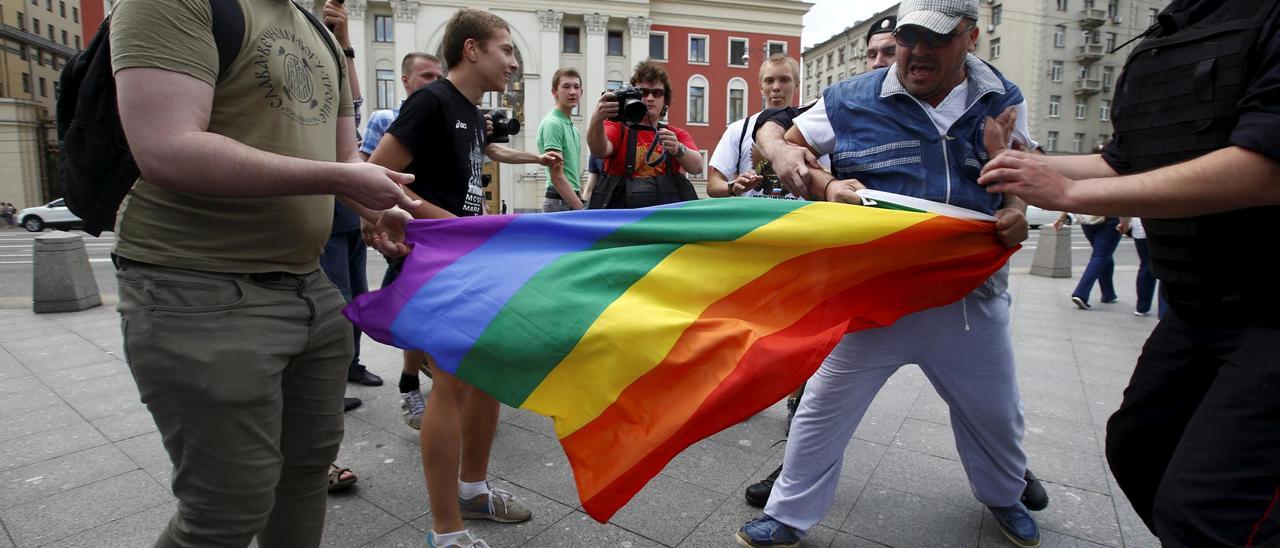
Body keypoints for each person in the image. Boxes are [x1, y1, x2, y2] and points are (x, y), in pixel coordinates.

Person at [107, 0, 417, 544]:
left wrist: (372, 206)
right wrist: (342, 178)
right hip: (197, 286)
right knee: (225, 509)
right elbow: (166, 147)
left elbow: (344, 161)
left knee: (302, 477)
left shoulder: (317, 30)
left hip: (310, 288)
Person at [737, 1, 1044, 546]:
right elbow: (779, 138)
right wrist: (801, 169)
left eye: (936, 40)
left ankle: (1003, 497)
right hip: (876, 297)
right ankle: (787, 514)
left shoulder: (1002, 96)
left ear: (970, 38)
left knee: (996, 415)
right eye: (908, 38)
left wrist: (1016, 211)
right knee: (822, 409)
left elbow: (1020, 173)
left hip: (967, 298)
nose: (918, 52)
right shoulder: (852, 98)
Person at [977, 1, 1280, 544]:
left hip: (1269, 308)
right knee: (1140, 451)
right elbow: (1125, 159)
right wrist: (1023, 163)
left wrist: (1068, 192)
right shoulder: (1180, 23)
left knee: (1211, 509)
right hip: (1198, 304)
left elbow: (1265, 167)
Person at [365, 9, 561, 547]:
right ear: (471, 49)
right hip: (435, 262)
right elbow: (380, 177)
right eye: (506, 50)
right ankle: (445, 532)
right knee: (450, 387)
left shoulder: (474, 115)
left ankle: (473, 491)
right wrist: (454, 227)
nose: (514, 62)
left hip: (467, 260)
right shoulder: (431, 102)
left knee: (485, 377)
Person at [359, 51, 445, 431]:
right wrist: (370, 220)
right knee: (413, 314)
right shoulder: (385, 120)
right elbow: (364, 169)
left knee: (430, 314)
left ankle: (427, 379)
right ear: (406, 80)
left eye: (438, 77)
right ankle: (411, 385)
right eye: (427, 76)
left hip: (437, 232)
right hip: (406, 233)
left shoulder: (445, 118)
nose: (435, 83)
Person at [317, 0, 382, 408]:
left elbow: (353, 105)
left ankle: (352, 365)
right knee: (337, 299)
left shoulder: (342, 110)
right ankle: (329, 385)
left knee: (357, 295)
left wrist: (346, 45)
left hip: (350, 215)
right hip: (325, 216)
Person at [586, 61, 702, 209]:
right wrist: (597, 119)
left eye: (657, 93)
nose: (650, 98)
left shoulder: (675, 134)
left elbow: (697, 166)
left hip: (662, 219)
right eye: (644, 92)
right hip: (625, 221)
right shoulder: (617, 127)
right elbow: (598, 150)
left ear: (665, 100)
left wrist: (678, 148)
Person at [538, 68, 585, 211]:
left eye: (576, 87)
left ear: (581, 92)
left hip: (570, 198)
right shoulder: (553, 123)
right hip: (559, 201)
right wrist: (581, 209)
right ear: (554, 92)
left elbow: (572, 176)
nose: (572, 92)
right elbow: (557, 177)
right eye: (566, 86)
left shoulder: (572, 128)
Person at [1054, 212, 1120, 310]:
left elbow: (1070, 196)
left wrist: (1061, 218)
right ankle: (1081, 293)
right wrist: (1125, 220)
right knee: (1100, 256)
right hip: (1109, 218)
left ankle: (1108, 294)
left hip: (1087, 219)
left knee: (1104, 254)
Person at [1119, 217, 1167, 318]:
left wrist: (1124, 223)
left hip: (1140, 228)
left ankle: (1142, 306)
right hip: (1165, 226)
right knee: (1166, 268)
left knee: (1146, 265)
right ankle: (1164, 311)